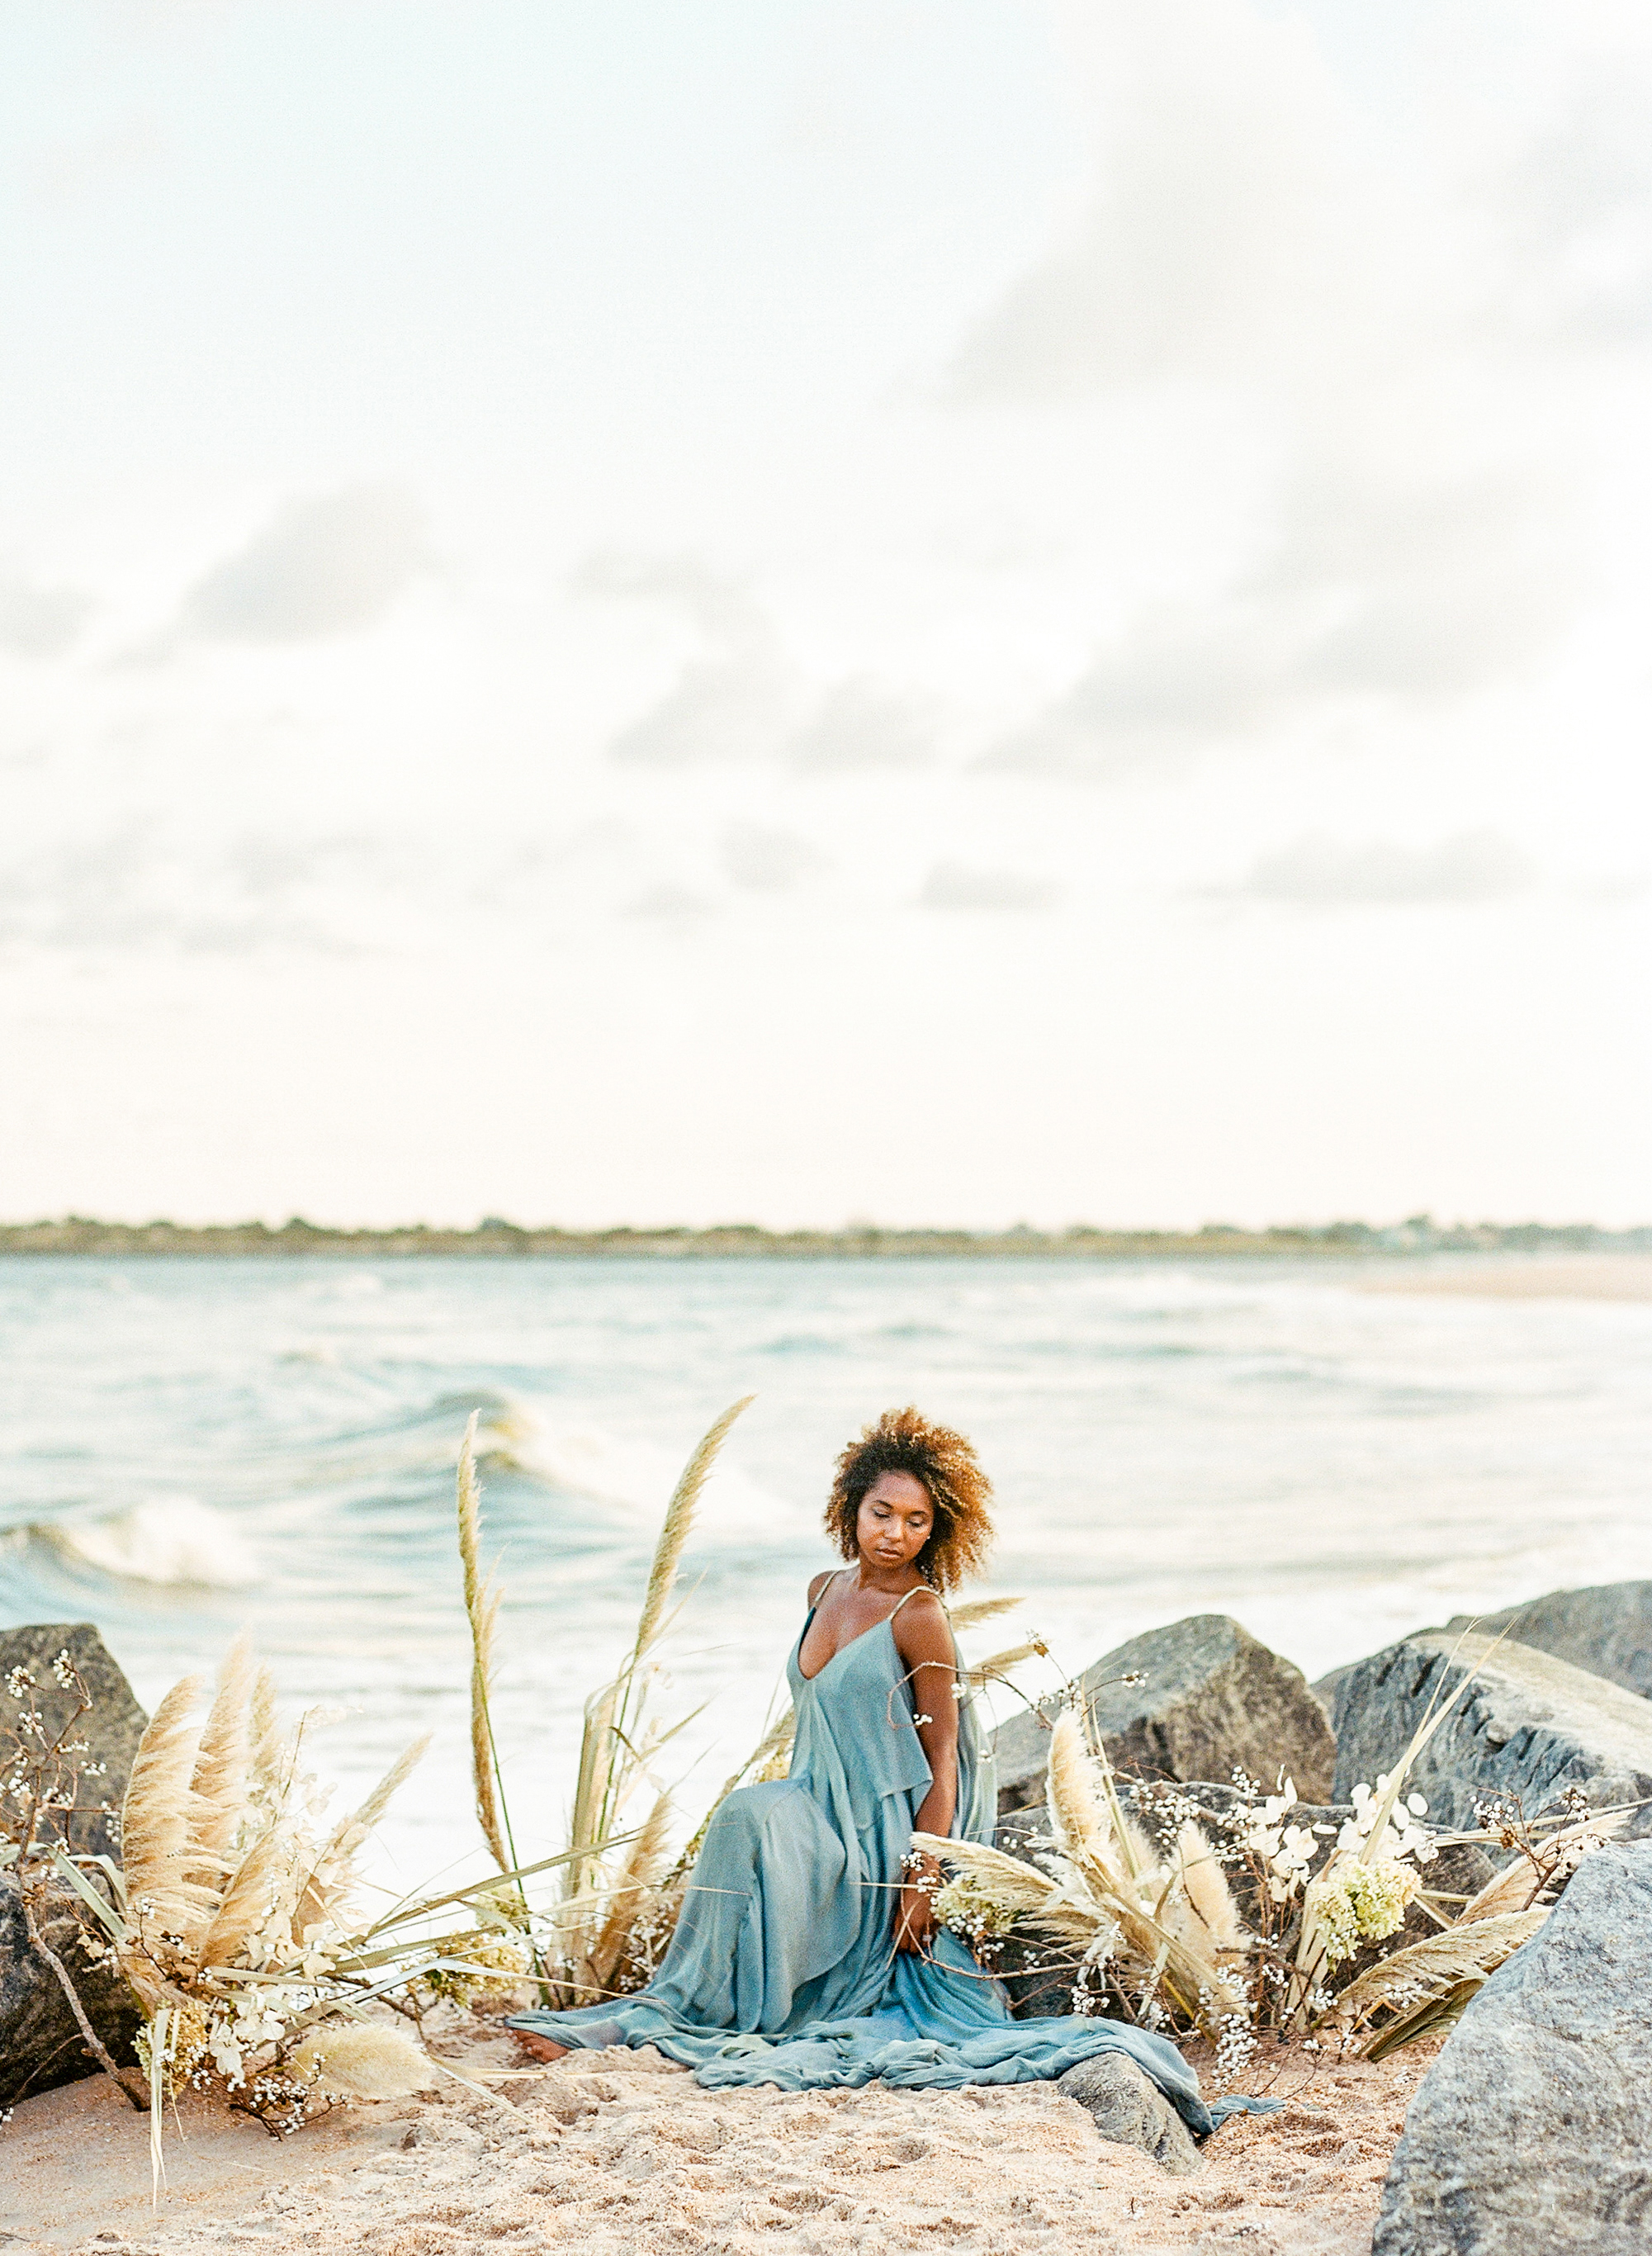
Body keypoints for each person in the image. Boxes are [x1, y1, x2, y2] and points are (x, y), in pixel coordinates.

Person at [505, 1406, 1257, 2135]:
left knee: (747, 1817)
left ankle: (651, 2025)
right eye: (882, 1513)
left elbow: (945, 1760)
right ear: (850, 1509)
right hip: (815, 1800)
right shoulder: (821, 1591)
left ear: (938, 1529)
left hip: (879, 1831)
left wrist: (919, 1879)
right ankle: (660, 2013)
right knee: (745, 1813)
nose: (896, 1533)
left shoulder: (919, 1614)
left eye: (916, 1520)